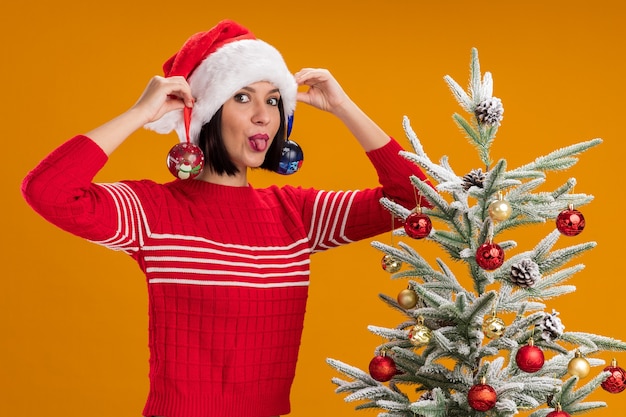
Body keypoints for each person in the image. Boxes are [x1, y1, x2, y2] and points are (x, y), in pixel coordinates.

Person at [21, 19, 431, 417]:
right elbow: (48, 191)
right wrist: (140, 113)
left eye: (273, 100)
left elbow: (417, 199)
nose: (263, 116)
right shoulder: (153, 212)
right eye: (241, 97)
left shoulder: (297, 214)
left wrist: (344, 107)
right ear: (207, 113)